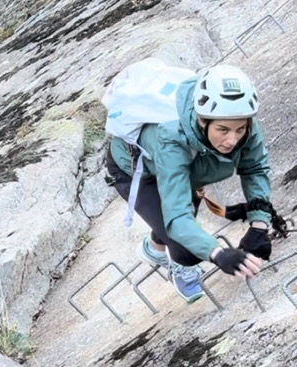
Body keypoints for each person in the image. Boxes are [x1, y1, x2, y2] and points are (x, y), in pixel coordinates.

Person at [106, 64, 277, 303]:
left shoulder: (241, 123)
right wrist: (217, 253)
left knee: (174, 220)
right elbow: (177, 216)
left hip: (188, 166)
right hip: (135, 171)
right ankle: (178, 265)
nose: (232, 139)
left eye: (240, 129)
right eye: (223, 130)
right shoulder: (171, 140)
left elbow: (255, 168)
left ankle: (154, 248)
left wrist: (259, 225)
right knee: (184, 247)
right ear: (201, 119)